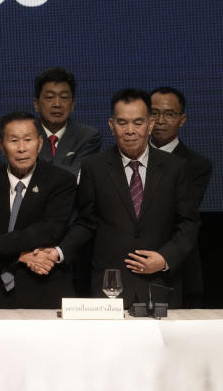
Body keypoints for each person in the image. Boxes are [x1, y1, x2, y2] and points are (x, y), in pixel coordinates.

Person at [49, 89, 199, 308]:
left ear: (150, 124)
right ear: (111, 125)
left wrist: (165, 259)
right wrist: (57, 251)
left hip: (160, 283)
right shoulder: (94, 167)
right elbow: (86, 223)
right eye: (122, 122)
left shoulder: (175, 167)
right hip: (110, 286)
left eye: (138, 122)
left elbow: (189, 223)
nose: (130, 130)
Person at [0, 112, 76, 308]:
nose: (21, 148)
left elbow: (51, 229)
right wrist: (21, 256)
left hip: (46, 285)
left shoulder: (61, 181)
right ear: (1, 146)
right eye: (14, 141)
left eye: (28, 140)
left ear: (40, 143)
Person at [150, 86, 212, 306]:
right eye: (154, 113)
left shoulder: (196, 164)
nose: (160, 120)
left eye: (169, 114)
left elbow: (181, 213)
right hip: (131, 265)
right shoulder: (125, 159)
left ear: (182, 119)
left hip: (177, 269)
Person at [33, 67, 102, 176]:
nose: (57, 104)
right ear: (36, 104)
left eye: (64, 97)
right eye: (49, 97)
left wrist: (35, 170)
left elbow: (79, 175)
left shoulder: (88, 136)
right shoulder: (25, 135)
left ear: (72, 105)